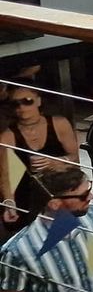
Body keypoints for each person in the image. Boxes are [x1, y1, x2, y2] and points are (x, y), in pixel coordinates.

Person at [0, 84, 80, 241]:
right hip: (28, 194)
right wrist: (9, 202)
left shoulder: (59, 123)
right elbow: (5, 175)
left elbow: (75, 159)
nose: (22, 107)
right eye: (15, 103)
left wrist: (57, 162)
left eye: (27, 101)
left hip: (60, 189)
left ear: (38, 101)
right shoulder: (8, 136)